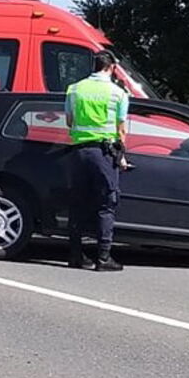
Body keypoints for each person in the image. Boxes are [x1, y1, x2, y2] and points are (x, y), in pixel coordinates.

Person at [65, 52, 129, 272]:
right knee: (106, 205)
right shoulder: (118, 93)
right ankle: (103, 257)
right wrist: (121, 157)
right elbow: (121, 130)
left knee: (77, 205)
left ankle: (76, 256)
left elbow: (69, 121)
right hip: (104, 154)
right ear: (111, 68)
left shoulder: (75, 89)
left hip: (78, 153)